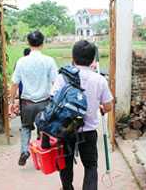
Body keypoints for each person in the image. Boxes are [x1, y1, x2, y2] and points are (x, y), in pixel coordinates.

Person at [51, 40, 113, 190]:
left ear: (73, 57)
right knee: (91, 166)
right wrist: (100, 107)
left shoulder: (62, 77)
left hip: (66, 130)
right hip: (89, 131)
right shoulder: (99, 80)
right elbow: (108, 106)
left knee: (65, 164)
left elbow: (53, 101)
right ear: (93, 60)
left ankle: (67, 188)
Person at [9, 31, 58, 166]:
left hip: (27, 103)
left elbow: (14, 83)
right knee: (44, 128)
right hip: (44, 102)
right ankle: (43, 155)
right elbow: (56, 83)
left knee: (25, 127)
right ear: (43, 43)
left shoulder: (21, 61)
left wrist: (11, 102)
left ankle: (24, 151)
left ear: (28, 43)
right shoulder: (49, 61)